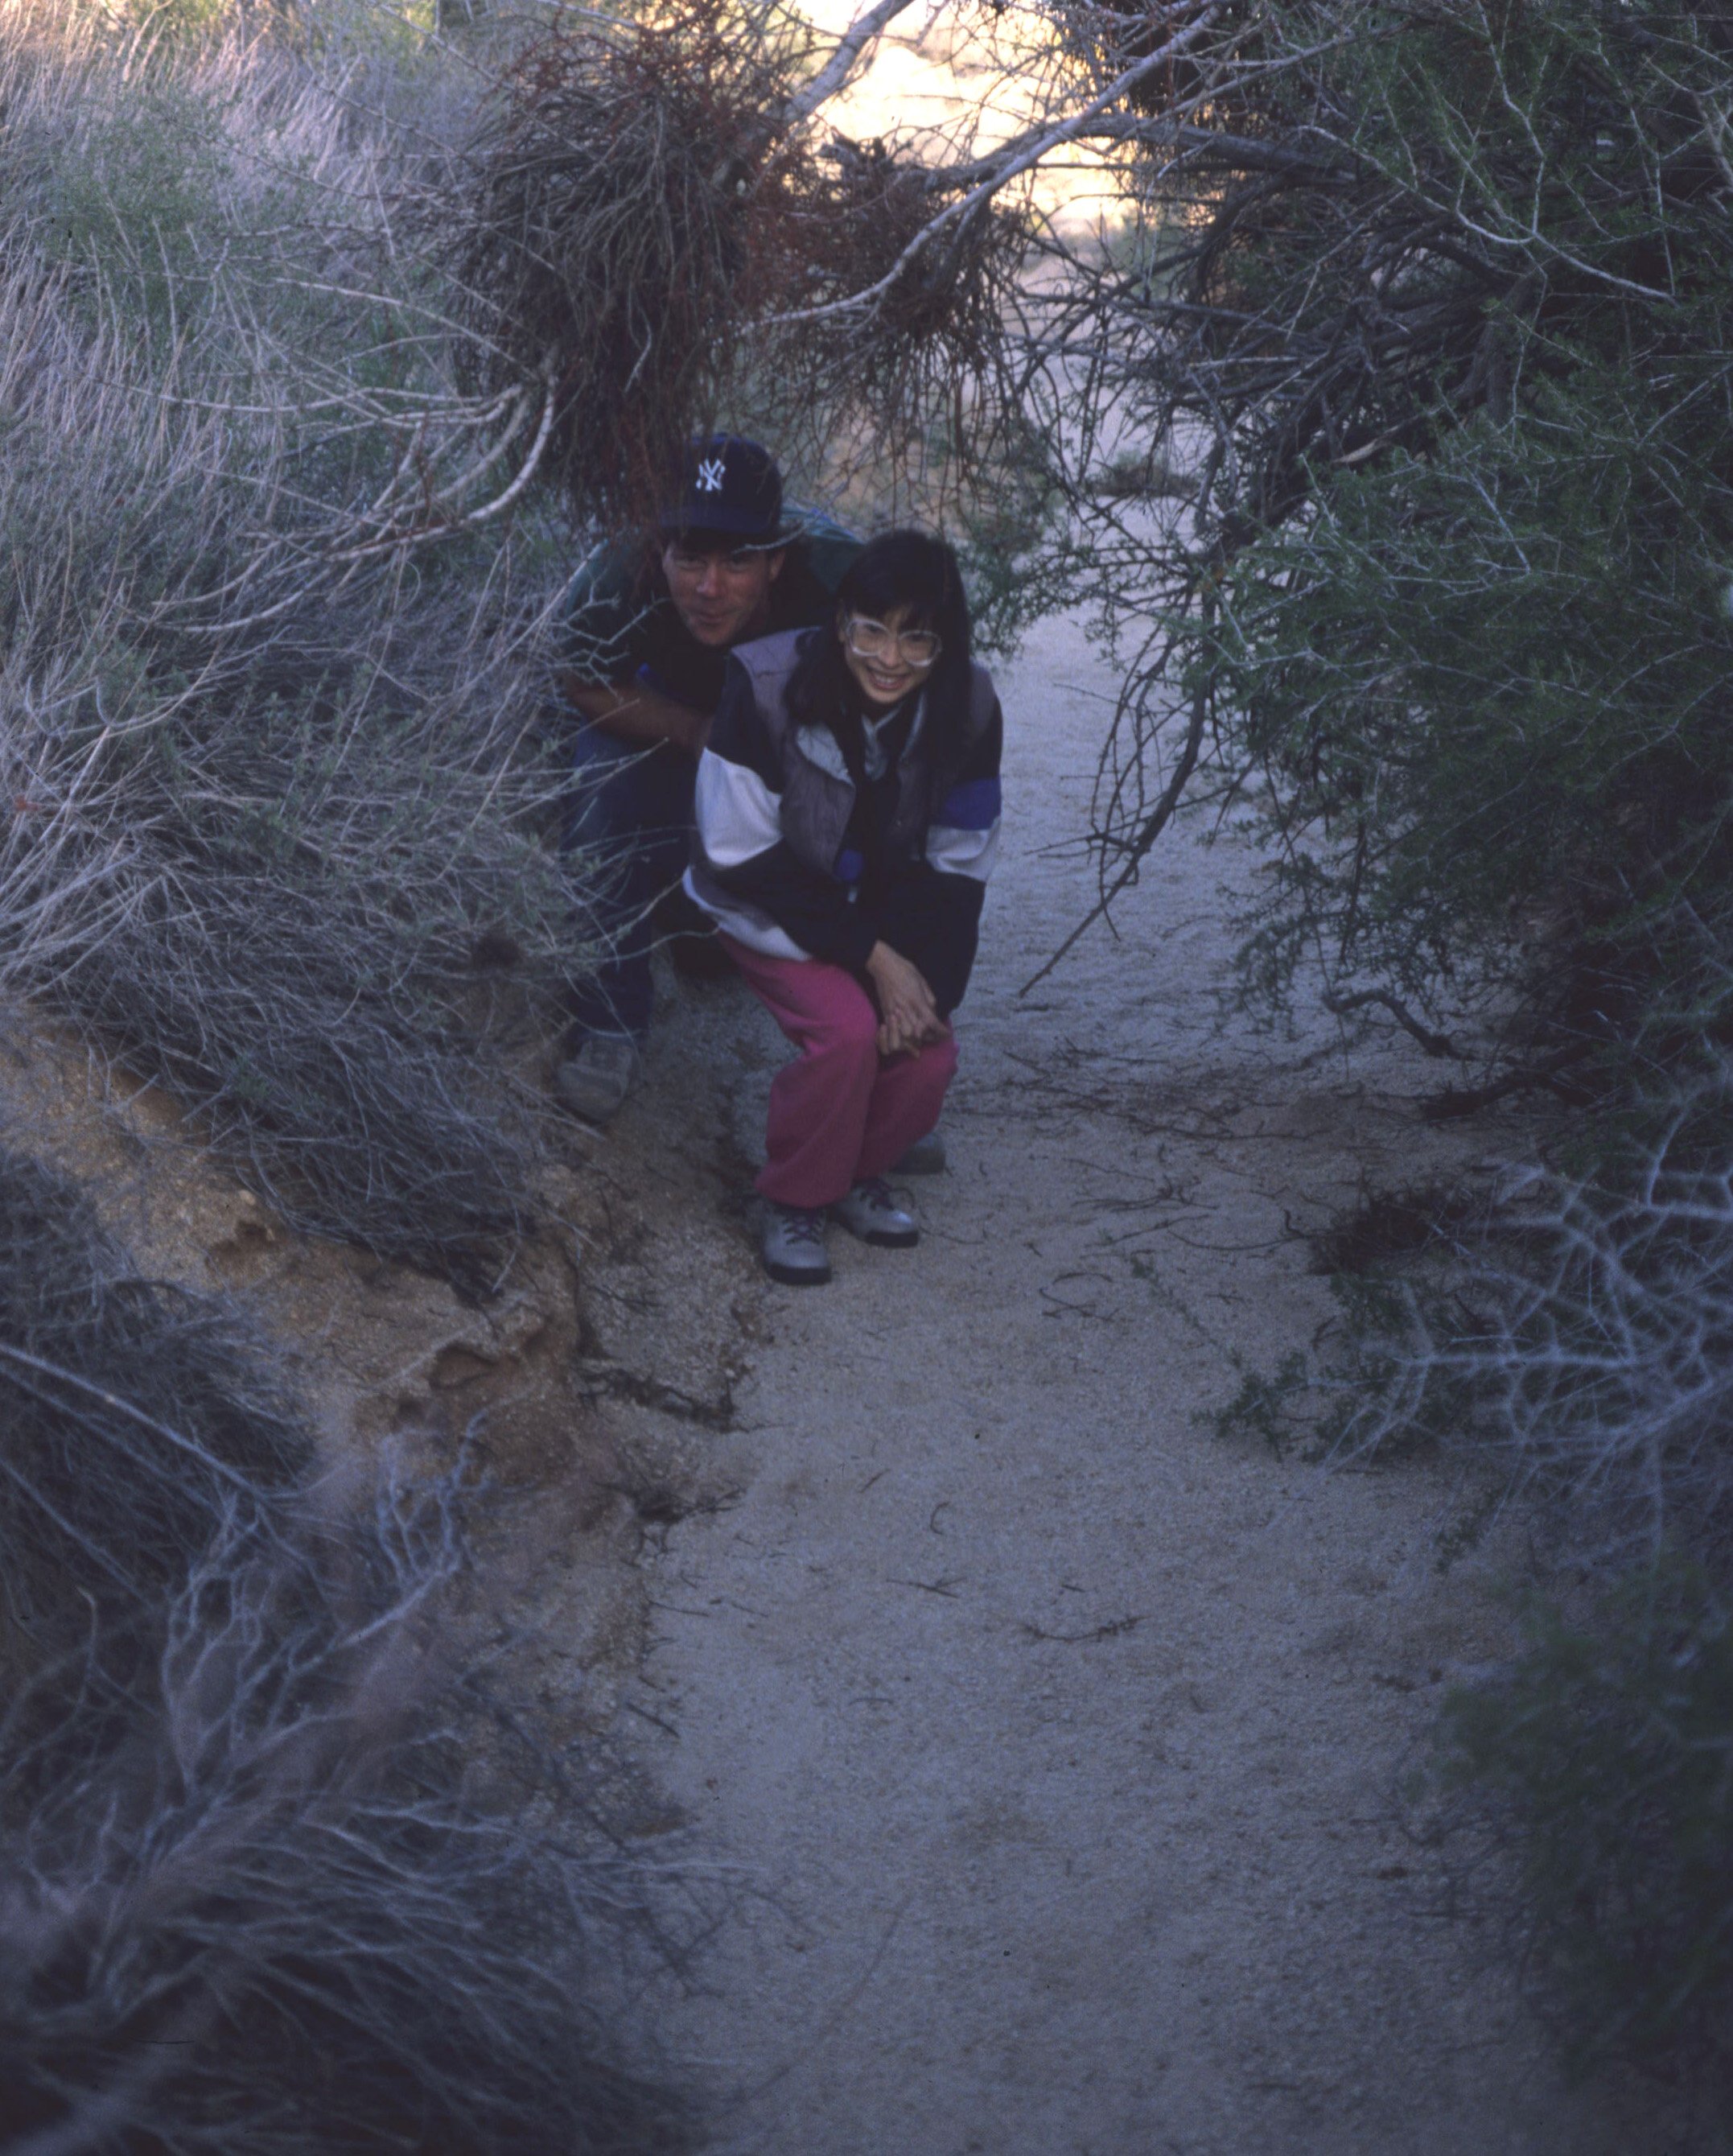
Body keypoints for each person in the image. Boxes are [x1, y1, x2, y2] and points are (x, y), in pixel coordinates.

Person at [685, 530, 1002, 1284]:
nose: (890, 659)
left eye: (917, 638)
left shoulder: (971, 705)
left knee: (928, 1055)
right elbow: (737, 851)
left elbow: (962, 863)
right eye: (871, 631)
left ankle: (858, 1171)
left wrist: (927, 990)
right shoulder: (763, 685)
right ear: (840, 624)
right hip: (765, 903)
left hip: (880, 909)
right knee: (846, 1033)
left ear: (945, 644)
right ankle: (795, 1197)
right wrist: (877, 960)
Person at [557, 434, 858, 1123]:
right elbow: (582, 681)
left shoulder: (844, 574)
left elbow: (921, 679)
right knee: (598, 775)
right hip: (678, 732)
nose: (710, 588)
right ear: (657, 549)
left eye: (738, 560)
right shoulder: (616, 573)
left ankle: (874, 1055)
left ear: (777, 558)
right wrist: (696, 732)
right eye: (690, 557)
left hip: (795, 748)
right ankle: (608, 1023)